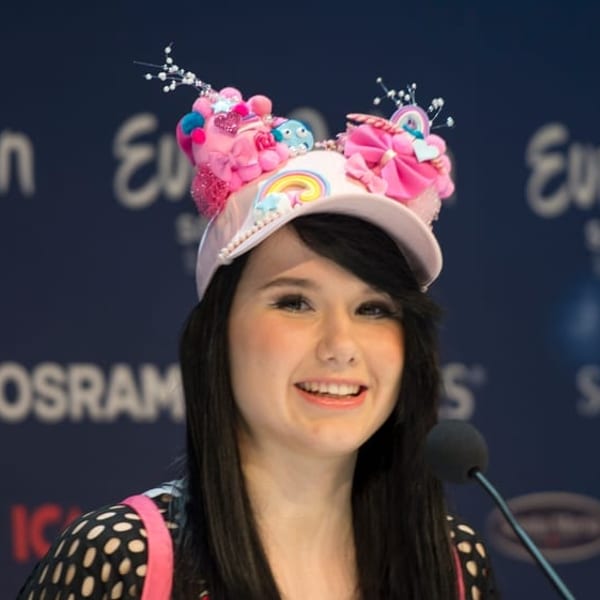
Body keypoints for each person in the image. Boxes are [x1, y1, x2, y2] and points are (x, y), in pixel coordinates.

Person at [18, 50, 498, 599]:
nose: (341, 346)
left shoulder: (452, 564)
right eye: (295, 302)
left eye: (373, 309)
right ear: (217, 335)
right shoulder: (123, 558)